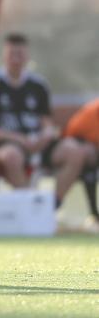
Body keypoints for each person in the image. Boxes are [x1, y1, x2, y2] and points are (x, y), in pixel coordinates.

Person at [0, 33, 91, 215]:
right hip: (8, 143)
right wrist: (20, 139)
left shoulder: (38, 85)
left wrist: (44, 136)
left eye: (20, 54)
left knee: (75, 151)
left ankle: (51, 206)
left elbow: (47, 123)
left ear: (27, 57)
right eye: (11, 54)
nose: (16, 59)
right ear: (4, 56)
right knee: (11, 156)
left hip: (37, 143)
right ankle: (32, 207)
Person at [62, 98, 99, 231]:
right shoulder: (95, 111)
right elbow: (73, 133)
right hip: (79, 147)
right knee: (89, 157)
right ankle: (94, 215)